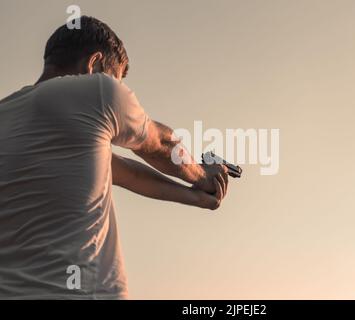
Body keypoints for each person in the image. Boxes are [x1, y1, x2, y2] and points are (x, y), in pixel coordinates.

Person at [0, 16, 229, 299]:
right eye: (116, 78)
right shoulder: (97, 91)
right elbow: (160, 144)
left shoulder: (10, 116)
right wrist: (204, 176)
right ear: (94, 64)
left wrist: (196, 197)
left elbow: (124, 173)